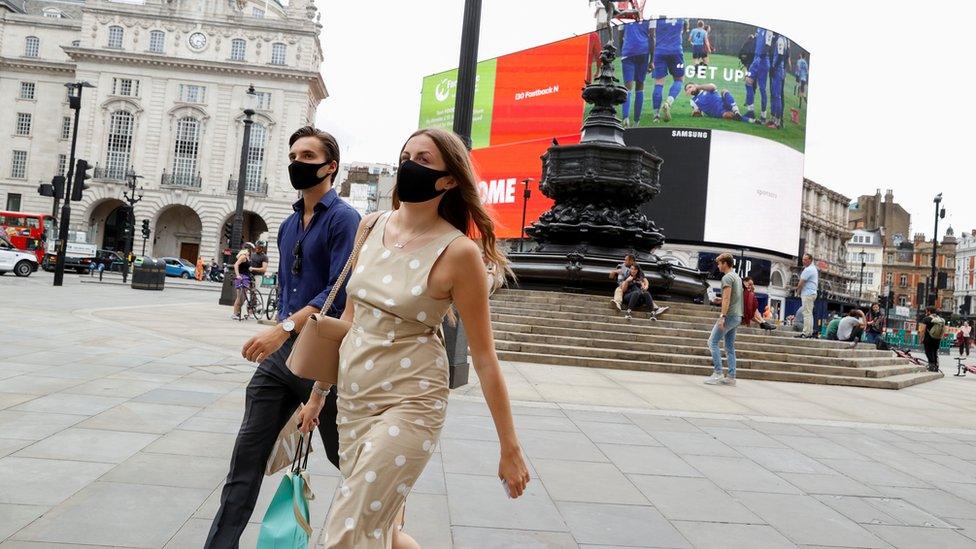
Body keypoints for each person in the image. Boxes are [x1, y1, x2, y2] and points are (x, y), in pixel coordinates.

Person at [295, 128, 531, 548]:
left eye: (423, 160)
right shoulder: (369, 227)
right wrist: (319, 394)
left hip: (412, 399)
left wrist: (509, 447)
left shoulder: (459, 253)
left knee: (349, 525)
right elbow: (349, 319)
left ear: (449, 180)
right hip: (354, 397)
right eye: (406, 155)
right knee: (380, 529)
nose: (408, 166)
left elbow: (485, 358)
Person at [205, 126, 359, 548]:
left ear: (331, 167)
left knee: (346, 459)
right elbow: (291, 287)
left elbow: (339, 291)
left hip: (324, 357)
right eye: (294, 155)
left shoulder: (346, 219)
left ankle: (385, 527)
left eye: (308, 156)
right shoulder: (289, 224)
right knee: (245, 460)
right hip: (282, 360)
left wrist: (284, 328)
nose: (298, 163)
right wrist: (282, 329)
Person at [705, 253, 742, 386]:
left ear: (725, 263)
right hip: (737, 315)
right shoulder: (736, 277)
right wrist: (720, 300)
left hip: (729, 315)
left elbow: (727, 299)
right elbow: (733, 298)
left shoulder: (727, 278)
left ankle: (718, 373)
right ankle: (731, 377)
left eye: (719, 263)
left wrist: (722, 317)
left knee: (712, 342)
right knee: (729, 347)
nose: (718, 266)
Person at [649, 16, 687, 123]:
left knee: (658, 83)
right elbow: (685, 29)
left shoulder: (656, 18)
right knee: (679, 80)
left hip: (660, 51)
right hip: (676, 51)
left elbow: (651, 34)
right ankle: (668, 103)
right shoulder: (682, 16)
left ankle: (656, 116)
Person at [619, 18, 652, 127]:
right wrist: (652, 61)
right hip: (643, 51)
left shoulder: (624, 16)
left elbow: (620, 36)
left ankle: (625, 118)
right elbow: (653, 37)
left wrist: (622, 51)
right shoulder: (650, 17)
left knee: (627, 87)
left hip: (628, 51)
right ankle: (636, 122)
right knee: (640, 86)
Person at [743, 27, 773, 124]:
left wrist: (760, 57)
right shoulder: (759, 28)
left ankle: (763, 116)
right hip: (756, 60)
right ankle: (751, 111)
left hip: (762, 61)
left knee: (762, 89)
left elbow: (768, 46)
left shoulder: (769, 30)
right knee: (748, 82)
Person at [767, 32, 791, 129]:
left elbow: (781, 56)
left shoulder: (781, 39)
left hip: (778, 70)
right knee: (774, 94)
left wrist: (774, 67)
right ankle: (773, 119)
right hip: (778, 69)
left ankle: (777, 122)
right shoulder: (783, 39)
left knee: (777, 96)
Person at [796, 253, 818, 338]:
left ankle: (805, 333)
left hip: (807, 293)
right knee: (809, 314)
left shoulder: (808, 269)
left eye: (805, 260)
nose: (803, 261)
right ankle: (809, 332)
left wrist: (797, 292)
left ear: (810, 260)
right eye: (803, 259)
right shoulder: (813, 269)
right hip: (812, 293)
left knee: (806, 314)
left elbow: (801, 282)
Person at [231, 242, 254, 320]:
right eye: (251, 249)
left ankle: (237, 313)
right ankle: (235, 313)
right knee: (239, 297)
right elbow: (236, 265)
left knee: (243, 298)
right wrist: (238, 275)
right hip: (242, 277)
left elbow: (245, 266)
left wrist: (250, 268)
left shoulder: (247, 257)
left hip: (246, 278)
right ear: (249, 249)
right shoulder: (243, 256)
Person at [918, 307, 945, 372]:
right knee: (935, 352)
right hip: (937, 339)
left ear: (929, 311)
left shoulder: (926, 319)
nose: (925, 312)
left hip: (928, 339)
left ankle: (931, 366)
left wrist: (921, 339)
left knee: (928, 352)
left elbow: (922, 330)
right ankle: (936, 366)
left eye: (926, 311)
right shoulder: (940, 319)